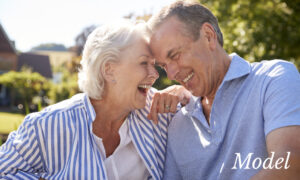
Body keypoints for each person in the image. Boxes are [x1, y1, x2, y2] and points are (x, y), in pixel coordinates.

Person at [0, 20, 191, 179]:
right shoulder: (47, 126)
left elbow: (207, 110)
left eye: (153, 65)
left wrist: (185, 93)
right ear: (109, 70)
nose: (155, 75)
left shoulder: (159, 115)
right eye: (143, 63)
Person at [147, 1, 300, 179]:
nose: (171, 73)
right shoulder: (177, 124)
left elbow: (289, 165)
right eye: (164, 66)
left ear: (208, 36)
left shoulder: (273, 79)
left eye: (175, 55)